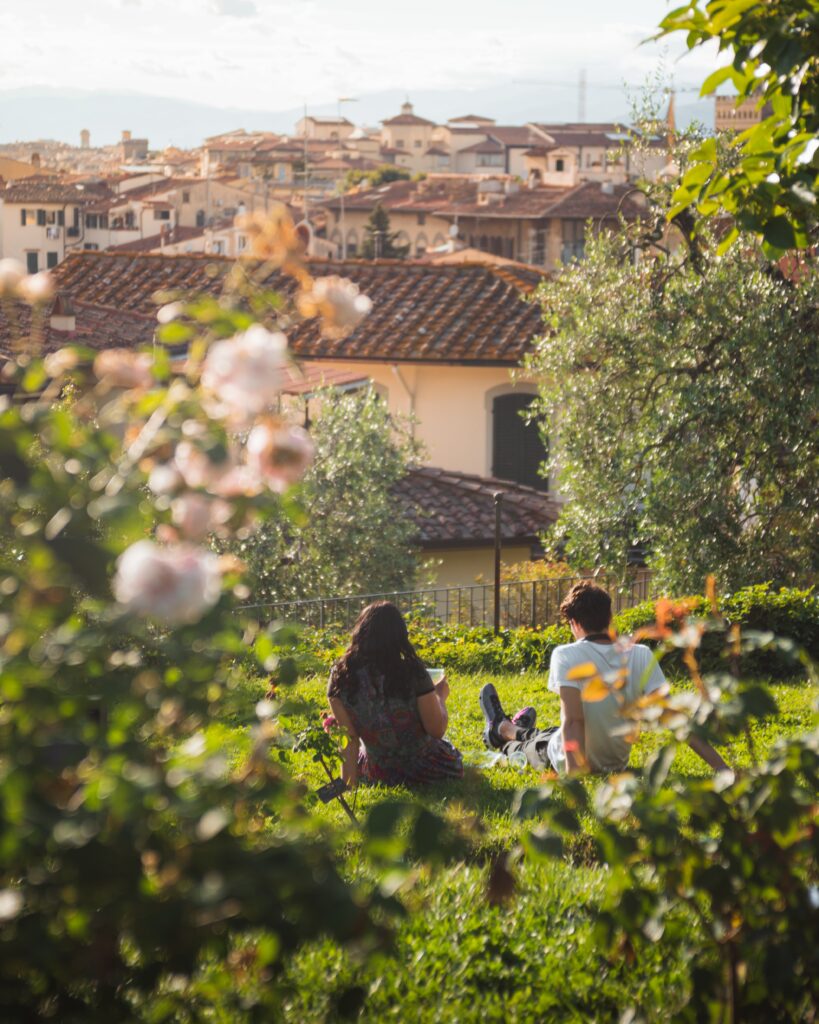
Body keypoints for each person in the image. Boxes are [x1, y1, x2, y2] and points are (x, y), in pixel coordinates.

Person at [479, 580, 730, 775]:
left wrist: (575, 781)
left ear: (574, 623)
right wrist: (722, 768)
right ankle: (511, 727)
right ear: (609, 618)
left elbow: (574, 721)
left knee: (529, 748)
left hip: (565, 758)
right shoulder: (641, 655)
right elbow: (676, 719)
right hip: (614, 763)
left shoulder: (566, 655)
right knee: (549, 734)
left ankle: (501, 733)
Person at [328, 601, 463, 787]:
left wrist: (348, 784)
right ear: (400, 636)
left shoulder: (340, 677)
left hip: (377, 773)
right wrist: (440, 695)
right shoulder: (412, 671)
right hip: (429, 770)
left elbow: (349, 740)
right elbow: (436, 730)